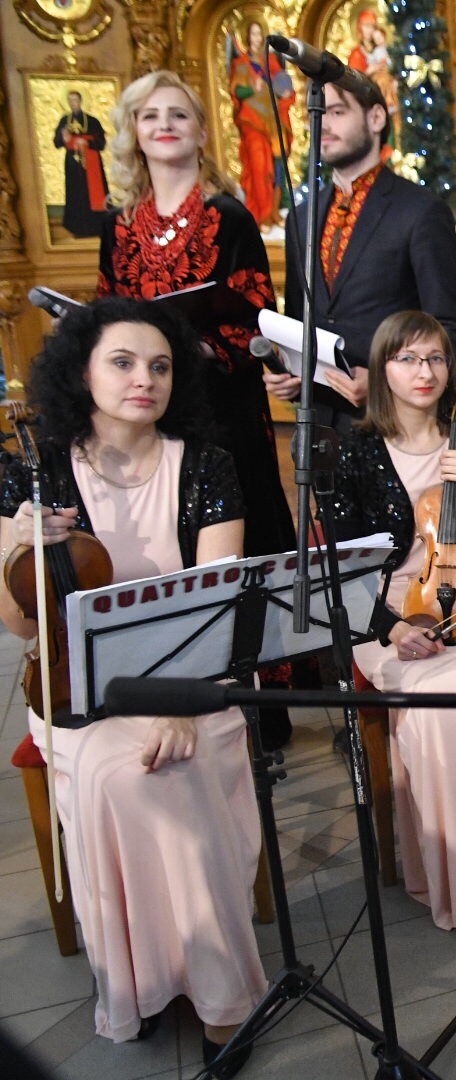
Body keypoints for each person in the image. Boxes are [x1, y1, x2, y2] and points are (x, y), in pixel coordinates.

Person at [0, 298, 263, 1075]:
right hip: (76, 687)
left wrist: (178, 700)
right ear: (81, 371)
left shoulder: (207, 466)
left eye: (160, 366)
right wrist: (13, 547)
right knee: (122, 776)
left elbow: (219, 603)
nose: (144, 378)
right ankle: (145, 977)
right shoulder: (34, 471)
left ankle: (223, 998)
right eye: (122, 362)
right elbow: (20, 626)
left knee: (174, 768)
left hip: (193, 677)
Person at [97, 70, 298, 744]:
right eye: (150, 115)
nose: (164, 125)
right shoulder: (119, 226)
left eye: (178, 114)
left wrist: (209, 347)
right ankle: (170, 687)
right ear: (134, 132)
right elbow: (106, 313)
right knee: (167, 540)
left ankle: (261, 708)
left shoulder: (229, 216)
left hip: (224, 407)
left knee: (241, 541)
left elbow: (257, 313)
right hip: (148, 413)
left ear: (201, 131)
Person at [327, 310, 456, 931]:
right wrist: (392, 628)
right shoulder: (354, 452)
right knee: (431, 703)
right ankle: (453, 871)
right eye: (407, 359)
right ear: (382, 368)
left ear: (450, 368)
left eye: (436, 358)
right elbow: (342, 571)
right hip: (389, 611)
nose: (424, 371)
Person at [266, 71, 456, 431]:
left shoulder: (421, 211)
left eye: (336, 112)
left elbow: (452, 329)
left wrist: (383, 380)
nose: (323, 125)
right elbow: (299, 323)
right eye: (316, 115)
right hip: (319, 428)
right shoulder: (301, 217)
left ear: (376, 117)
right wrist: (288, 370)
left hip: (397, 426)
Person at [227, 21, 295, 228]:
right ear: (247, 37)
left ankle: (274, 212)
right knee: (259, 166)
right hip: (252, 122)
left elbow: (283, 83)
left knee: (278, 166)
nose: (256, 38)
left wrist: (285, 92)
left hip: (273, 121)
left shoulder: (270, 61)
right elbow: (237, 91)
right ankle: (262, 215)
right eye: (253, 34)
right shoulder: (241, 64)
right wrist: (252, 89)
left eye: (259, 34)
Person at [53, 90, 108, 238]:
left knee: (92, 192)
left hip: (91, 162)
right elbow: (57, 142)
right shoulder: (64, 121)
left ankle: (97, 227)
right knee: (76, 193)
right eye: (70, 100)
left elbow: (101, 143)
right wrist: (63, 138)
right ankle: (77, 228)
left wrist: (86, 142)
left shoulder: (92, 121)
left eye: (75, 100)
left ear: (81, 101)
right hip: (73, 163)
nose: (73, 103)